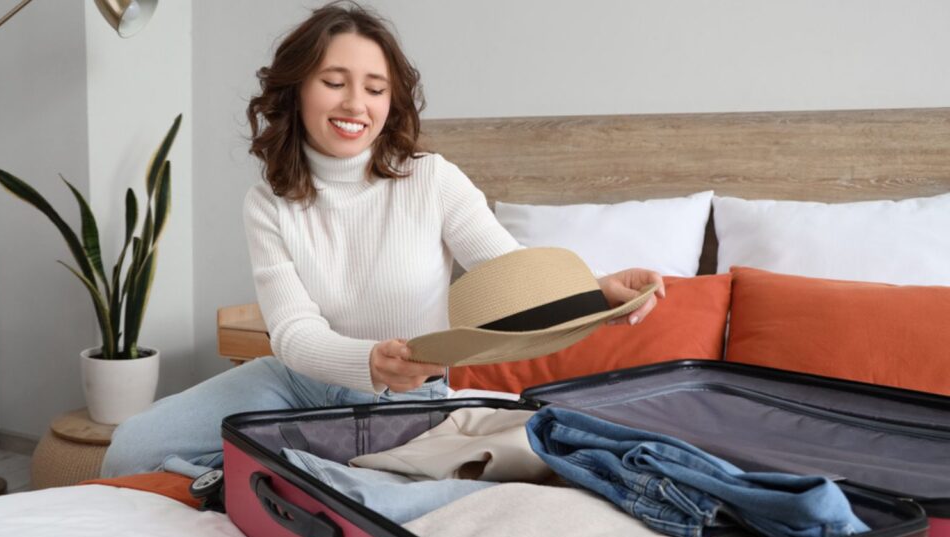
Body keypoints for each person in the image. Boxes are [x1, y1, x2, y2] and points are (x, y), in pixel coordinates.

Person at [100, 1, 664, 479]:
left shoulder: (431, 179)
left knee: (355, 489)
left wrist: (596, 292)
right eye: (334, 83)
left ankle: (263, 474)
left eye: (375, 88)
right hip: (296, 384)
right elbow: (293, 331)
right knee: (130, 449)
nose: (355, 104)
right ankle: (248, 477)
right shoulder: (268, 202)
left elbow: (511, 276)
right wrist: (365, 360)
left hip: (409, 398)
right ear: (297, 90)